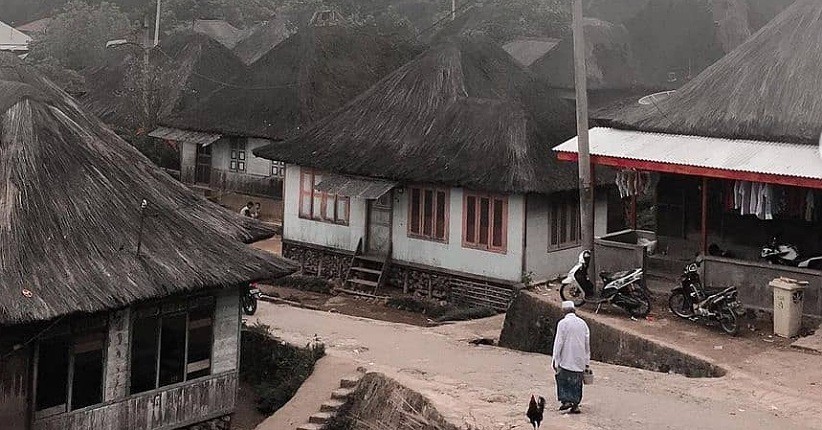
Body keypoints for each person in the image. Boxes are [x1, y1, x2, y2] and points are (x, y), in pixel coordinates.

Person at [552, 301, 590, 414]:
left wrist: (555, 358)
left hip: (566, 357)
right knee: (577, 381)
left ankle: (566, 401)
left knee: (563, 378)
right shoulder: (583, 324)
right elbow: (587, 344)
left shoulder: (563, 323)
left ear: (564, 311)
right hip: (579, 358)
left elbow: (559, 342)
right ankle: (575, 405)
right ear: (574, 310)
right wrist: (587, 361)